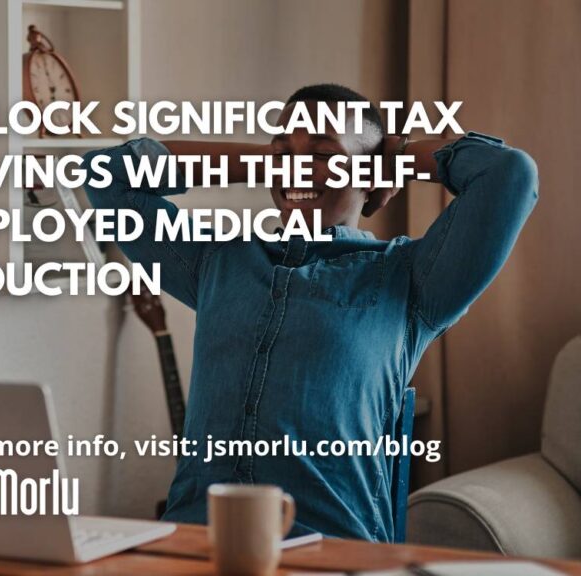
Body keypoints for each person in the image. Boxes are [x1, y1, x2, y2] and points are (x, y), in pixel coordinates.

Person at [83, 84, 538, 541]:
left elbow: (508, 175)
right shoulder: (216, 263)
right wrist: (268, 160)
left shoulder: (411, 280)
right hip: (194, 543)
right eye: (283, 153)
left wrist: (398, 154)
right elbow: (104, 173)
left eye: (323, 154)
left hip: (333, 551)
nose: (298, 170)